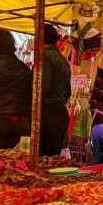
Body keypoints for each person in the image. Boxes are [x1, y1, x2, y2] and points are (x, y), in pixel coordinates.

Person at [39, 24, 71, 157]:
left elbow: (42, 87)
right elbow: (68, 93)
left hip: (48, 113)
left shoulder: (45, 57)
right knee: (53, 160)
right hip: (60, 112)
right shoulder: (63, 60)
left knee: (44, 160)